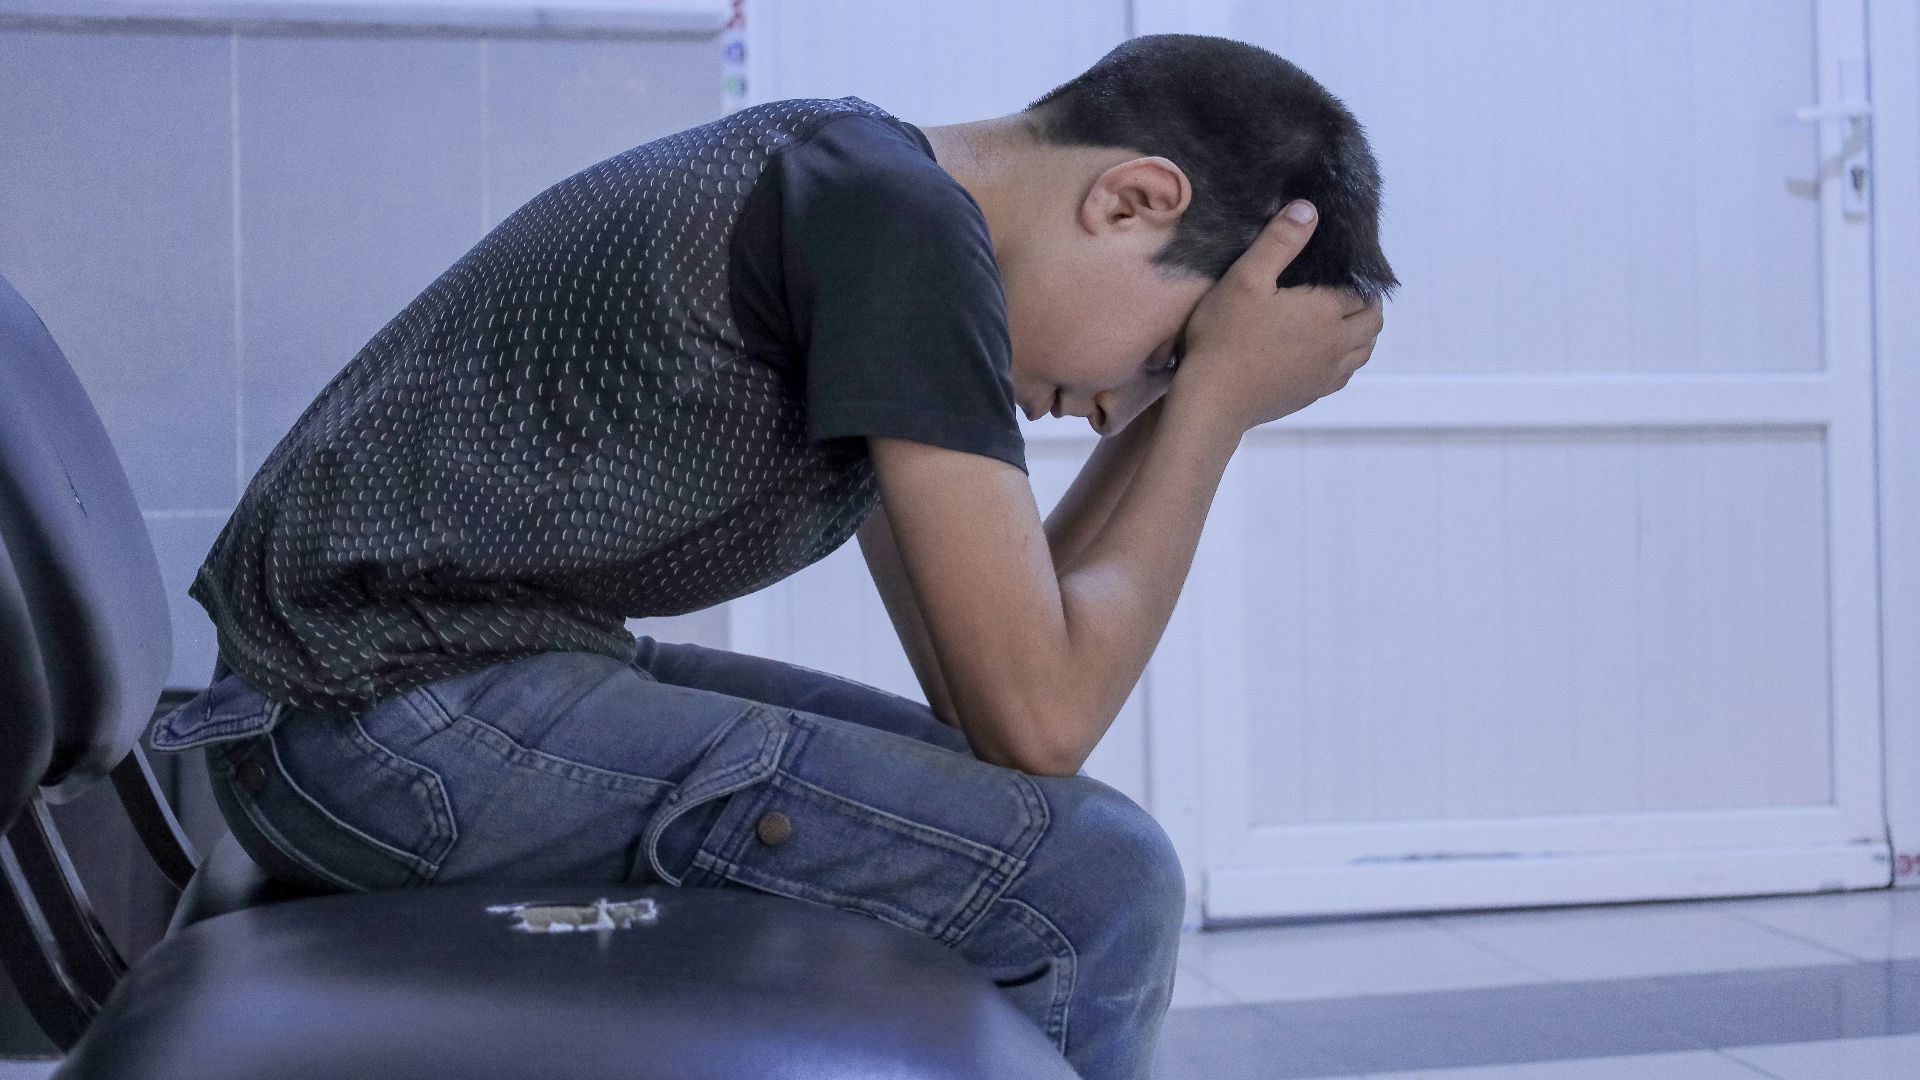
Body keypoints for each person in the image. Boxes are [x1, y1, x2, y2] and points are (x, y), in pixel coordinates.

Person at [141, 32, 1396, 1080]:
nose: (1120, 406)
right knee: (1097, 879)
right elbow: (1044, 712)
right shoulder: (897, 230)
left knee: (1033, 823)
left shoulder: (867, 192)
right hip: (386, 729)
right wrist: (1221, 404)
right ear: (1132, 198)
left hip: (388, 705)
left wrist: (1194, 393)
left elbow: (994, 685)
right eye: (1163, 354)